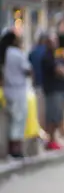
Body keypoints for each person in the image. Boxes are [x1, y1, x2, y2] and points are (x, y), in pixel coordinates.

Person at [0, 29, 32, 159]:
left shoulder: (3, 53)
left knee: (10, 120)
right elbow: (28, 69)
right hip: (18, 91)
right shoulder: (17, 54)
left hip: (7, 91)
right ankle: (16, 150)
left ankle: (9, 149)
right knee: (18, 121)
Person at [40, 33, 64, 151]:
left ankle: (53, 139)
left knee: (57, 116)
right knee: (52, 116)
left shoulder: (56, 55)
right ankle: (50, 140)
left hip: (58, 89)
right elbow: (59, 71)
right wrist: (63, 71)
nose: (55, 43)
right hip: (52, 90)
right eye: (52, 41)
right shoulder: (47, 57)